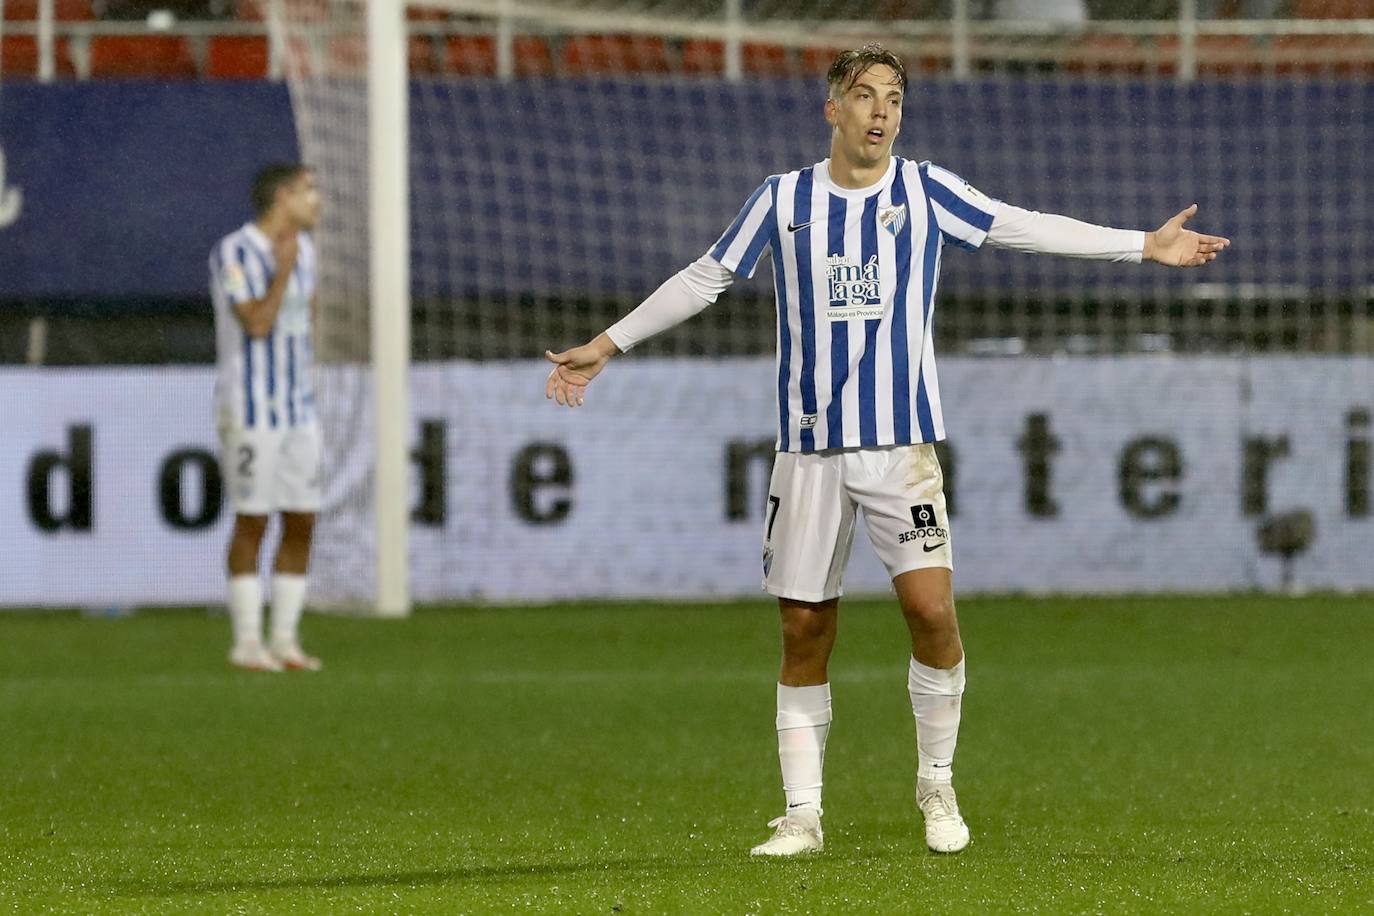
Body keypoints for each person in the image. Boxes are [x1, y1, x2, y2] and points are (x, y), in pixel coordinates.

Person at [544, 44, 1228, 856]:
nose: (881, 112)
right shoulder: (783, 199)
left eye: (894, 100)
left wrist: (1140, 246)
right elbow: (705, 277)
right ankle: (803, 814)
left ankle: (936, 785)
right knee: (803, 628)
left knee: (932, 612)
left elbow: (1021, 226)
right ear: (831, 108)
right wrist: (608, 344)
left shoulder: (925, 190)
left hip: (899, 447)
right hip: (808, 452)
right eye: (864, 96)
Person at [209, 163, 324, 673]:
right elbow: (256, 323)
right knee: (253, 519)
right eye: (307, 191)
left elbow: (303, 326)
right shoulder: (235, 252)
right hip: (250, 406)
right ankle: (247, 643)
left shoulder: (308, 253)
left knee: (302, 518)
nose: (317, 201)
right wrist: (281, 271)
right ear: (282, 197)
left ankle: (284, 641)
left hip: (298, 407)